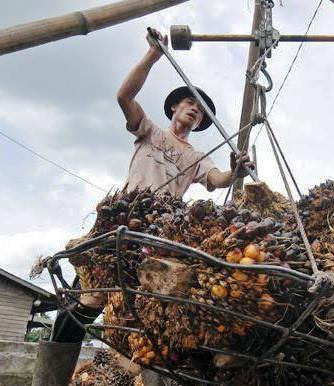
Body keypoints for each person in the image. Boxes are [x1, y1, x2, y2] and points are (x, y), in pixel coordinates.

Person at [32, 28, 254, 386]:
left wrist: (236, 170)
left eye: (200, 112)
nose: (195, 110)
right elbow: (124, 95)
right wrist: (153, 55)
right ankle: (49, 379)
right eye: (190, 103)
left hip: (157, 235)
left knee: (155, 315)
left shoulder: (196, 156)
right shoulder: (151, 132)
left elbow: (217, 180)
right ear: (175, 107)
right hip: (119, 224)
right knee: (84, 304)